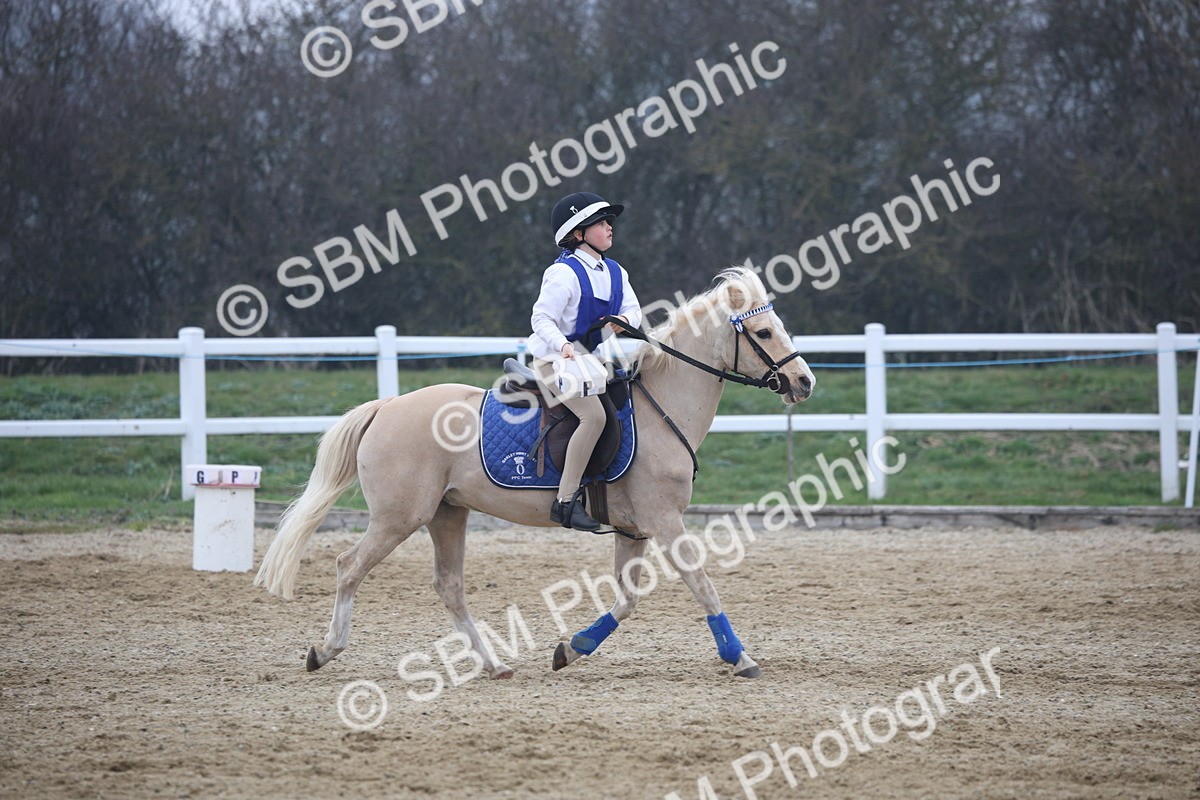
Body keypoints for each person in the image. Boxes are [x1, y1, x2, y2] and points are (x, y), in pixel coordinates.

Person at [528, 191, 643, 531]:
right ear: (578, 234)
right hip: (554, 363)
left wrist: (623, 323)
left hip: (592, 364)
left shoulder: (616, 272)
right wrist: (562, 345)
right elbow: (541, 319)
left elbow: (633, 310)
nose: (610, 228)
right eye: (602, 223)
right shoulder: (562, 273)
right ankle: (565, 502)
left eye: (610, 222)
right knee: (593, 417)